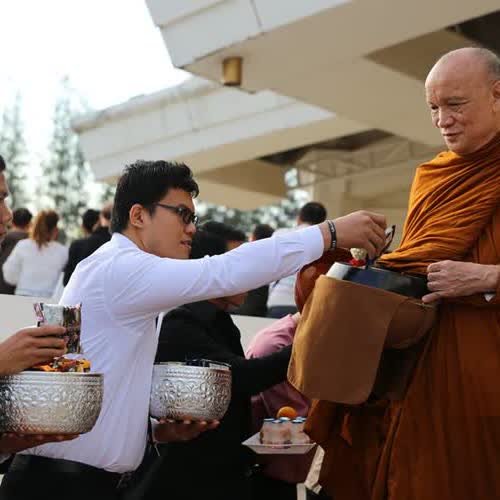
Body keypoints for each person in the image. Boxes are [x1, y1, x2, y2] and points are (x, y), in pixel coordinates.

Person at [0, 159, 386, 500]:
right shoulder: (119, 268)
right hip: (58, 487)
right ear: (139, 215)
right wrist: (328, 234)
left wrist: (153, 431)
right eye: (182, 215)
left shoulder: (121, 275)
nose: (190, 229)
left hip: (82, 484)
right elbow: (223, 272)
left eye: (193, 219)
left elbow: (107, 385)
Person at [303, 47, 500, 500]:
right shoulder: (434, 176)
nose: (443, 120)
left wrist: (488, 278)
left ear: (497, 95)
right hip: (426, 368)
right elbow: (418, 264)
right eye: (433, 107)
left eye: (455, 104)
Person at [148, 226, 301, 500]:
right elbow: (239, 378)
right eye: (240, 265)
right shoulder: (180, 321)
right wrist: (307, 342)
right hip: (190, 480)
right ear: (211, 268)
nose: (251, 276)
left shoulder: (219, 321)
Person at [0, 155, 78, 455]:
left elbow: (9, 275)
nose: (7, 214)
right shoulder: (61, 251)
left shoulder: (22, 246)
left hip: (18, 304)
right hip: (43, 310)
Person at [246, 312, 313, 500]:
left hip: (288, 470)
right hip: (268, 475)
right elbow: (295, 420)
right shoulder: (274, 345)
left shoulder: (307, 338)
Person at [267, 202, 327, 318]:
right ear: (323, 222)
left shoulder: (280, 234)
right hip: (306, 305)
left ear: (299, 218)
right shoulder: (325, 242)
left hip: (277, 300)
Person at [2, 210, 68, 297]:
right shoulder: (63, 251)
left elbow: (9, 275)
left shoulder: (23, 245)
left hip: (22, 295)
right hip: (49, 299)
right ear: (55, 229)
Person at [63, 204, 112, 286]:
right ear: (99, 221)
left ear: (83, 227)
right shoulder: (115, 241)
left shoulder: (77, 246)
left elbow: (67, 281)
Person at [233, 223, 275, 317]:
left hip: (246, 303)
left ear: (254, 237)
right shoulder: (274, 256)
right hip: (266, 304)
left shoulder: (246, 252)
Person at [0, 208, 32, 294]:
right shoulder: (34, 244)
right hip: (21, 291)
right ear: (29, 224)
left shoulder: (3, 239)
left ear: (12, 222)